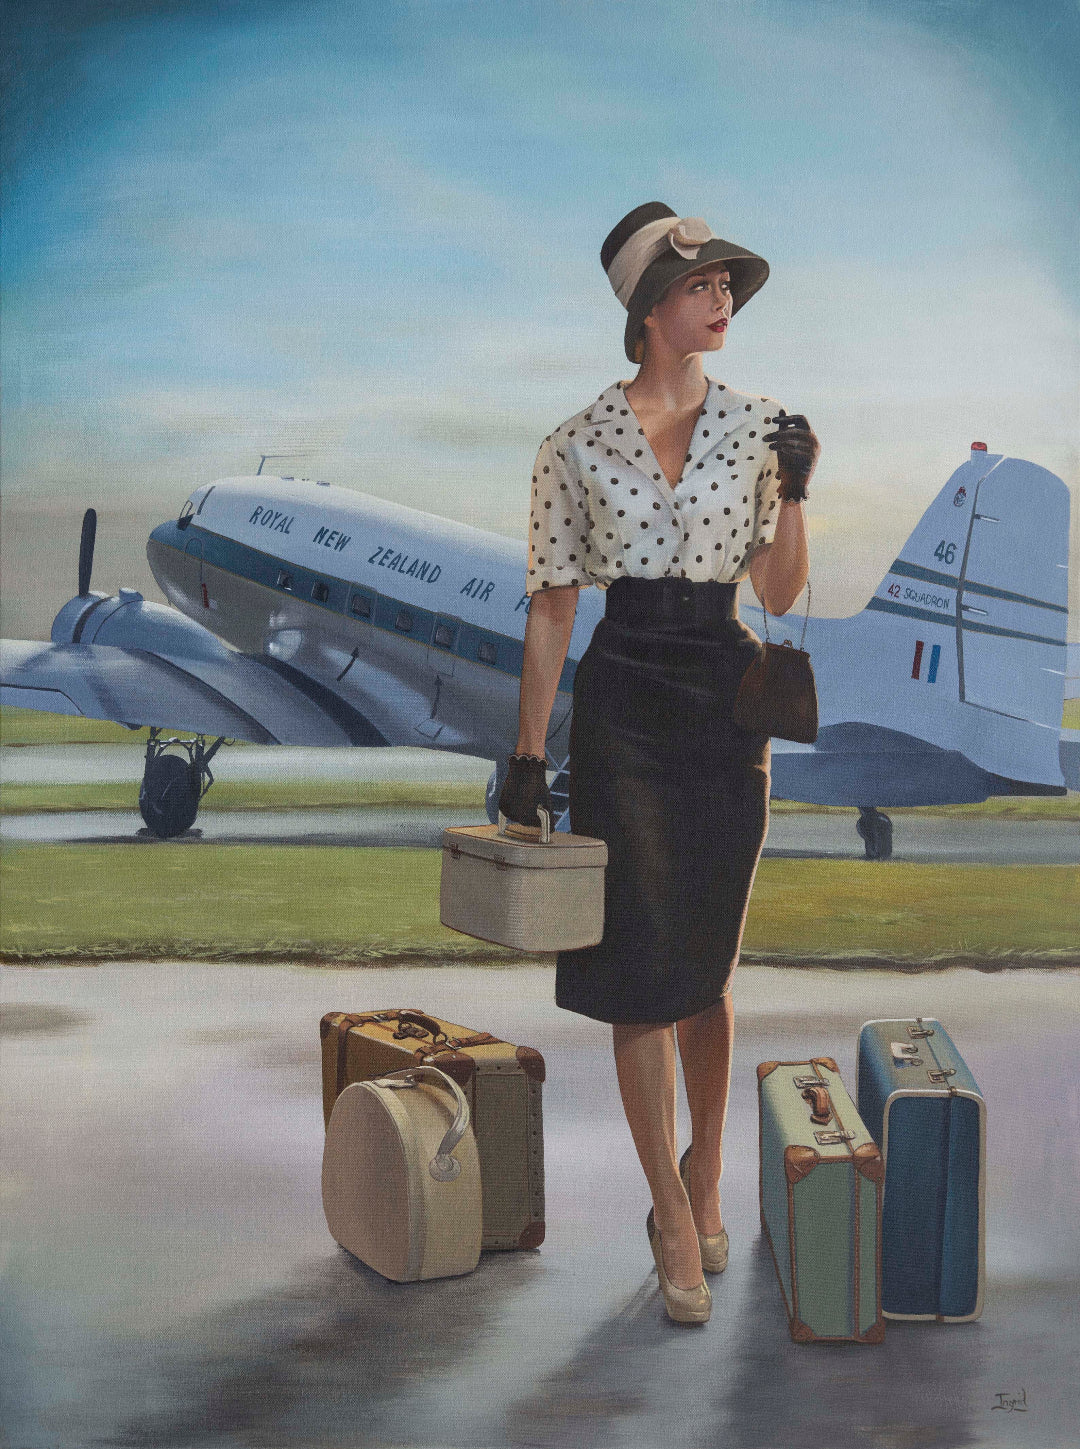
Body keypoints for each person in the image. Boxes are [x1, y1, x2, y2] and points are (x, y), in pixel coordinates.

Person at [498, 202, 818, 1324]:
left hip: (725, 703)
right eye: (701, 286)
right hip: (626, 701)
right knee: (641, 963)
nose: (723, 300)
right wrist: (529, 754)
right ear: (647, 310)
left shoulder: (765, 424)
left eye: (729, 284)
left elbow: (777, 595)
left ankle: (707, 1171)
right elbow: (551, 610)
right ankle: (670, 1215)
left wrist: (800, 491)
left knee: (708, 969)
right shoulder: (573, 444)